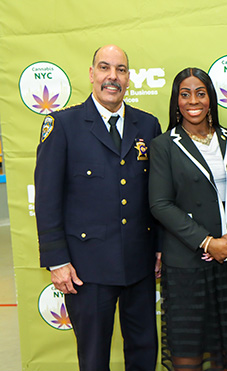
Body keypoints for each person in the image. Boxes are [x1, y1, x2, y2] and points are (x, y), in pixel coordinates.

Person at [35, 44, 161, 371]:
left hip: (139, 264)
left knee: (144, 354)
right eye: (105, 68)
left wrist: (159, 249)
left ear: (129, 79)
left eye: (120, 70)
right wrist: (57, 261)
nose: (112, 77)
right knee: (93, 360)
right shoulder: (63, 125)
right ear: (92, 74)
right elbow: (47, 199)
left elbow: (157, 197)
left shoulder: (147, 126)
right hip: (85, 269)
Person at [149, 67, 227, 371]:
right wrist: (208, 242)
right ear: (176, 101)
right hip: (188, 266)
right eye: (185, 94)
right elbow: (160, 204)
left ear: (210, 99)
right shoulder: (164, 145)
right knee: (188, 353)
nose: (193, 100)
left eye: (200, 92)